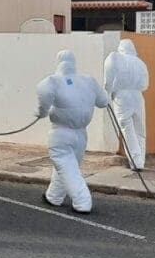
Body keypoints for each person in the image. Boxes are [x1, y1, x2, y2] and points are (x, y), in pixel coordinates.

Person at [36, 50, 110, 214]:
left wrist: (41, 112)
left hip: (60, 133)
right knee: (67, 165)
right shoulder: (89, 81)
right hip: (81, 135)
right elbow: (103, 101)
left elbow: (43, 95)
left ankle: (83, 201)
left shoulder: (53, 81)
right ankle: (53, 196)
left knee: (67, 167)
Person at [104, 39, 150, 170]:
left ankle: (136, 161)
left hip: (122, 96)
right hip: (138, 96)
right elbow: (145, 84)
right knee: (140, 130)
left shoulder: (115, 58)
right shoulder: (141, 63)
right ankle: (140, 160)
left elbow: (108, 79)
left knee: (126, 128)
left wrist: (107, 93)